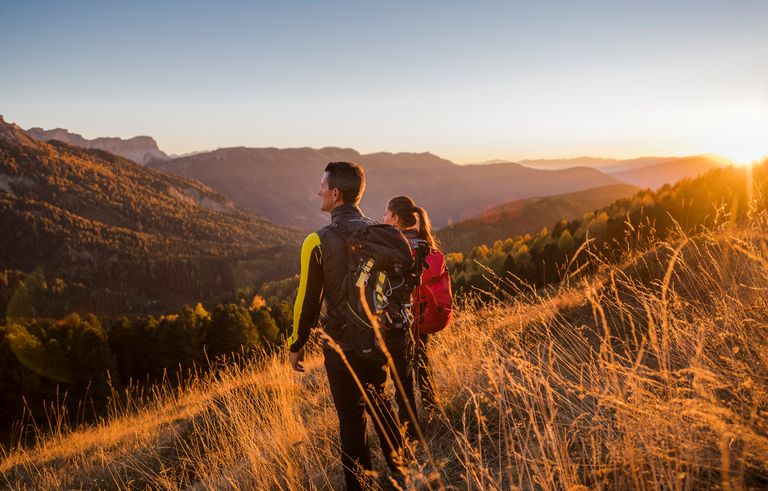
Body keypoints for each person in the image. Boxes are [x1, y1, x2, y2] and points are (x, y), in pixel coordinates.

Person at [287, 162, 403, 490]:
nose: (318, 192)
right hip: (376, 337)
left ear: (336, 194)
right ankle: (403, 474)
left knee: (351, 420)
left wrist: (296, 345)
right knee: (380, 401)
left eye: (322, 186)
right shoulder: (380, 233)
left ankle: (359, 486)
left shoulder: (318, 241)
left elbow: (307, 301)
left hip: (340, 345)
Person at [382, 196, 439, 431]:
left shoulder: (396, 245)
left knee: (401, 377)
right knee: (422, 363)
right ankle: (433, 409)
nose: (383, 217)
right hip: (421, 314)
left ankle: (410, 430)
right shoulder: (424, 242)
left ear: (395, 218)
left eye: (386, 214)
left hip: (398, 320)